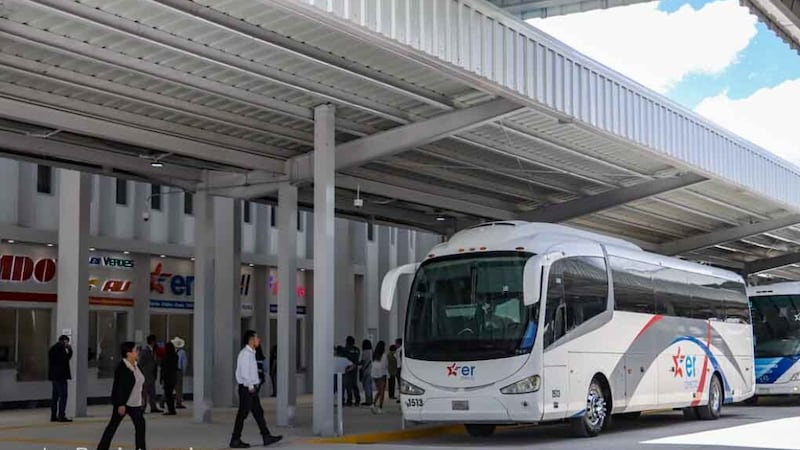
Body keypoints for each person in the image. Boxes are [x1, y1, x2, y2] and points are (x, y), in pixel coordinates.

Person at [230, 330, 282, 449]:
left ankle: (266, 436)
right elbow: (244, 373)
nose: (259, 340)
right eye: (257, 338)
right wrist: (251, 387)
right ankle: (235, 439)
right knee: (242, 414)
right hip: (247, 389)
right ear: (251, 340)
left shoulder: (251, 353)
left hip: (250, 389)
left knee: (258, 413)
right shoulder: (245, 354)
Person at [97, 341, 147, 450]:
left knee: (141, 426)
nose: (138, 352)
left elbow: (139, 384)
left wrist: (142, 398)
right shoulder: (122, 367)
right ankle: (102, 448)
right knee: (113, 426)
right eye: (135, 350)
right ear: (128, 353)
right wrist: (120, 404)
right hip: (124, 403)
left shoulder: (136, 366)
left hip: (136, 404)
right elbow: (119, 387)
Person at [48, 335, 73, 422]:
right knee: (63, 395)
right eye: (67, 342)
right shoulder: (61, 349)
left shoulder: (52, 349)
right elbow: (66, 359)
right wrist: (70, 350)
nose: (67, 343)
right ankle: (61, 415)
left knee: (55, 396)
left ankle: (53, 415)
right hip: (61, 376)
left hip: (54, 376)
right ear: (64, 341)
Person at [138, 335, 161, 413]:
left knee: (152, 392)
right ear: (152, 341)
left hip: (151, 375)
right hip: (146, 375)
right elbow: (140, 363)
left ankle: (153, 407)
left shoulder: (153, 351)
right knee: (144, 392)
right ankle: (142, 407)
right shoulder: (145, 351)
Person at [160, 342, 178, 416]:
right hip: (173, 377)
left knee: (168, 394)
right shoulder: (175, 356)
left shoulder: (165, 357)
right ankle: (172, 409)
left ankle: (171, 409)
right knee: (170, 394)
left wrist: (161, 378)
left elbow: (163, 368)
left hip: (167, 378)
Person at [371, 341, 389, 415]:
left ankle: (373, 404)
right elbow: (385, 365)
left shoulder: (374, 355)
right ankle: (380, 408)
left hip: (375, 374)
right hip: (382, 374)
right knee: (382, 392)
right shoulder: (384, 356)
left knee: (379, 391)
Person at [343, 336, 361, 406]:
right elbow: (357, 359)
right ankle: (357, 400)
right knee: (354, 385)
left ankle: (349, 400)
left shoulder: (346, 349)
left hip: (347, 368)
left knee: (348, 385)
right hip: (355, 368)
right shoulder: (357, 350)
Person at [172, 337, 187, 409]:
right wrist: (183, 371)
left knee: (171, 387)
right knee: (179, 388)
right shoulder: (182, 352)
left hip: (172, 371)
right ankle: (178, 402)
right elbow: (184, 363)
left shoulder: (172, 351)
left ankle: (162, 400)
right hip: (178, 371)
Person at [360, 340, 373, 406]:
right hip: (372, 370)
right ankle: (371, 399)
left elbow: (363, 361)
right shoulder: (372, 351)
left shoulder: (365, 352)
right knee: (370, 386)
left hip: (366, 370)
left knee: (366, 386)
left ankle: (368, 401)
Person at [395, 338, 403, 403]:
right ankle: (399, 396)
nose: (395, 344)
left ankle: (400, 397)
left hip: (400, 368)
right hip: (398, 368)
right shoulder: (398, 350)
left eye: (396, 343)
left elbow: (400, 360)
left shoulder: (400, 350)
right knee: (399, 384)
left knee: (400, 384)